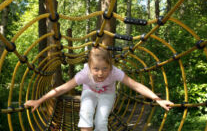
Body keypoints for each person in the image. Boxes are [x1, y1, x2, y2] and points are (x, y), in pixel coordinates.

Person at [24, 47, 173, 131]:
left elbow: (135, 85)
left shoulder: (115, 72)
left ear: (110, 66)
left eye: (105, 69)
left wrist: (158, 100)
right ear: (89, 67)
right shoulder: (84, 75)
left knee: (101, 121)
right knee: (86, 113)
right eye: (96, 69)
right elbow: (61, 89)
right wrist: (40, 100)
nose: (100, 73)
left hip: (107, 94)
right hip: (89, 91)